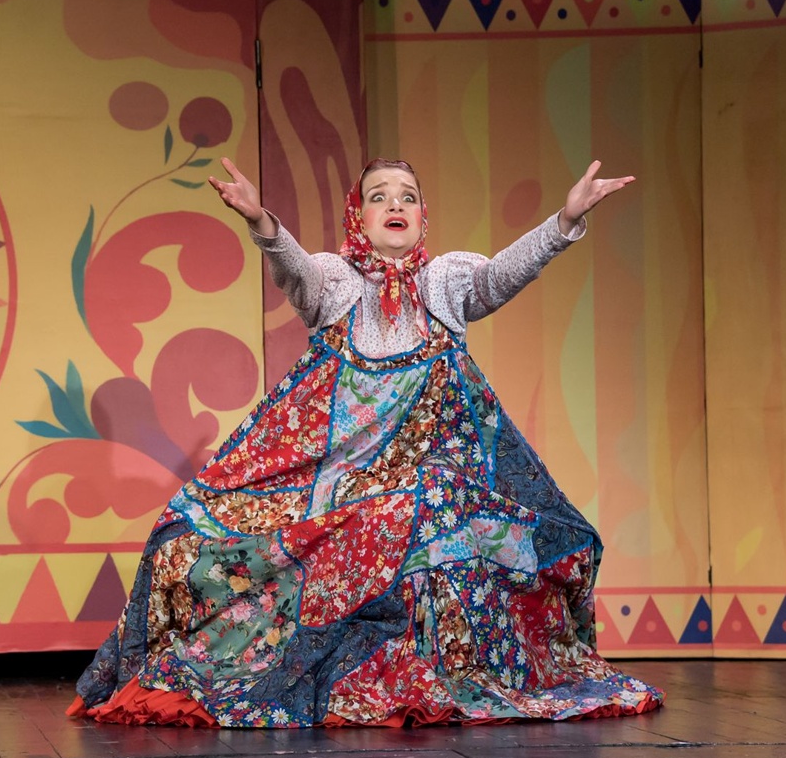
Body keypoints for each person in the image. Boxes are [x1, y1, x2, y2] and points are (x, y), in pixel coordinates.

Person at [67, 157, 664, 727]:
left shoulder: (445, 282)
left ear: (423, 216)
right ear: (359, 215)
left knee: (440, 514)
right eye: (379, 197)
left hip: (432, 476)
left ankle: (438, 669)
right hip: (337, 478)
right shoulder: (335, 282)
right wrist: (261, 221)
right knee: (185, 535)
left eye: (407, 197)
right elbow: (295, 271)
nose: (395, 206)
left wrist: (564, 221)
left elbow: (500, 276)